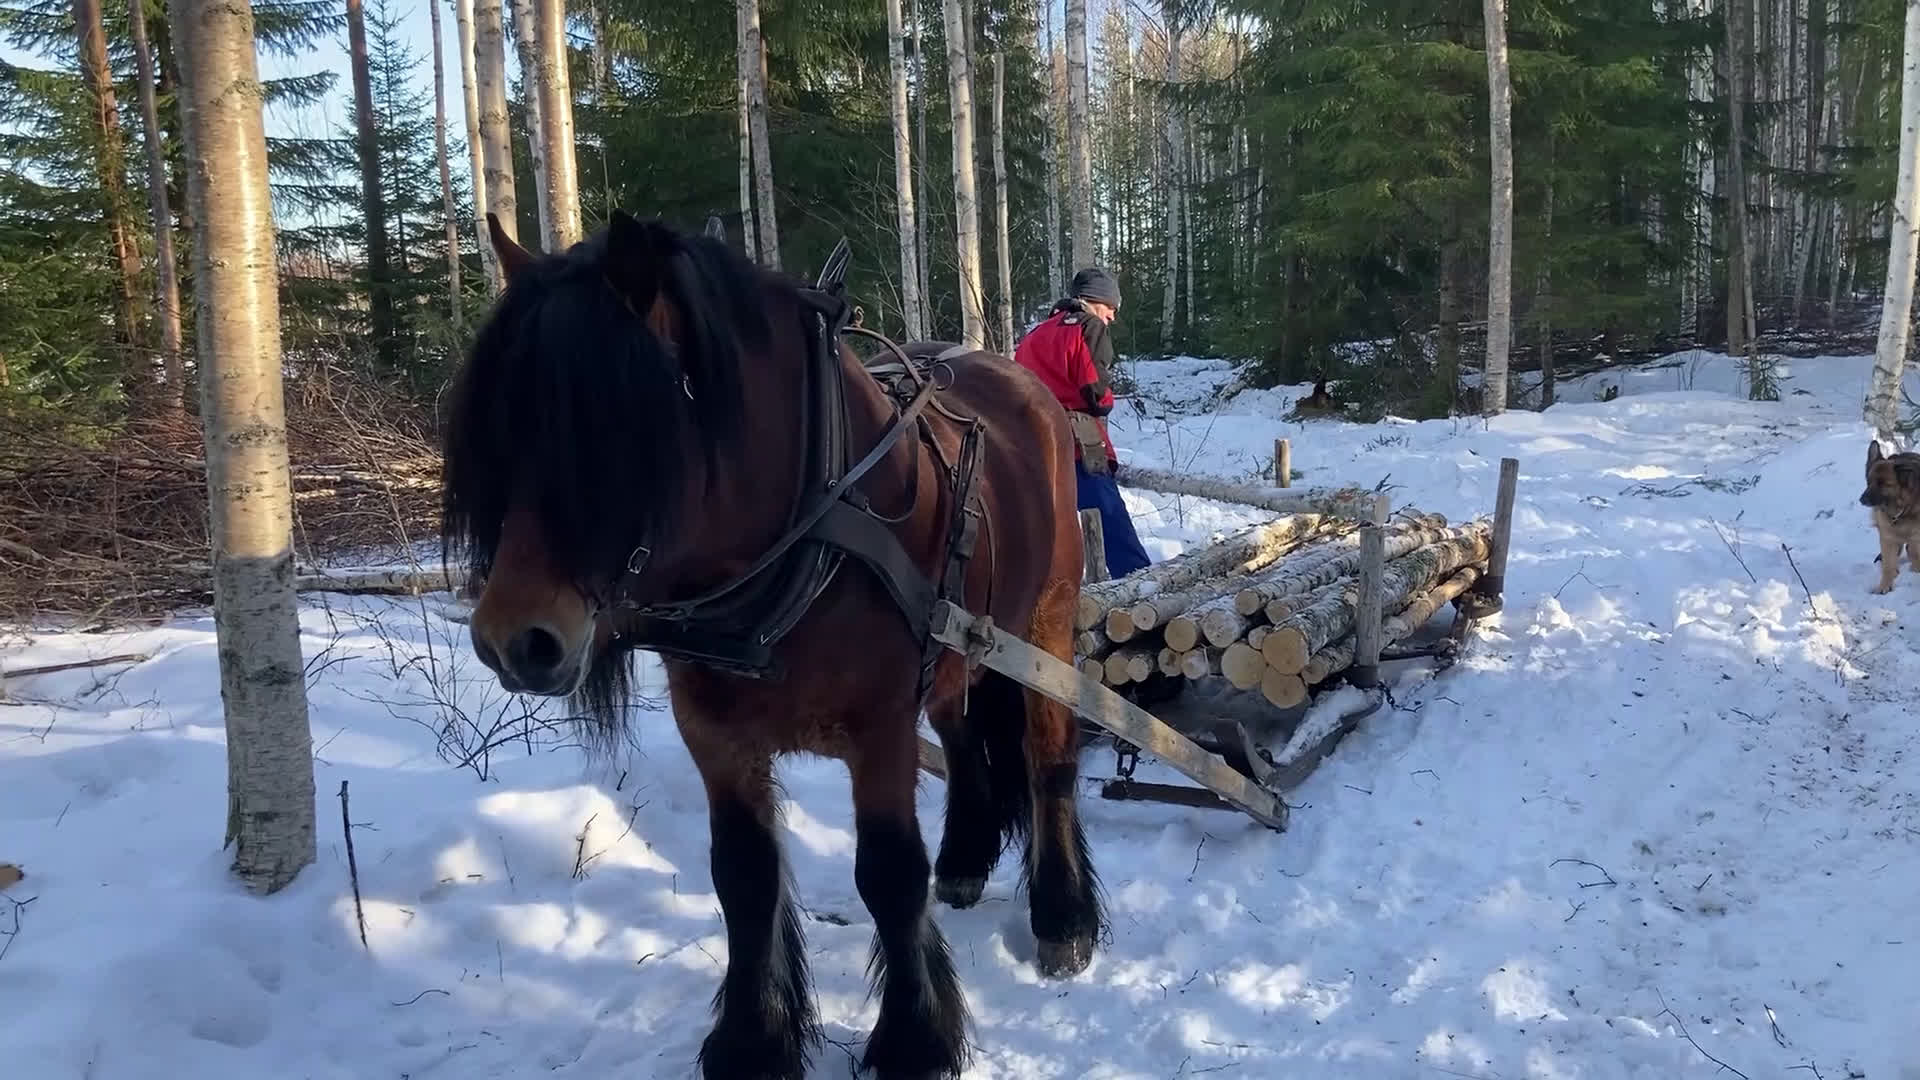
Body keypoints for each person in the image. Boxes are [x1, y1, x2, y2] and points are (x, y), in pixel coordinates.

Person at [1013, 267, 1152, 580]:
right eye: (1111, 308)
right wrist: (1106, 401)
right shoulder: (1089, 326)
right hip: (1076, 444)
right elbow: (1094, 390)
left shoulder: (1035, 334)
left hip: (1033, 445)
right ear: (1095, 301)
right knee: (1113, 525)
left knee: (1051, 532)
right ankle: (1141, 592)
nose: (1112, 317)